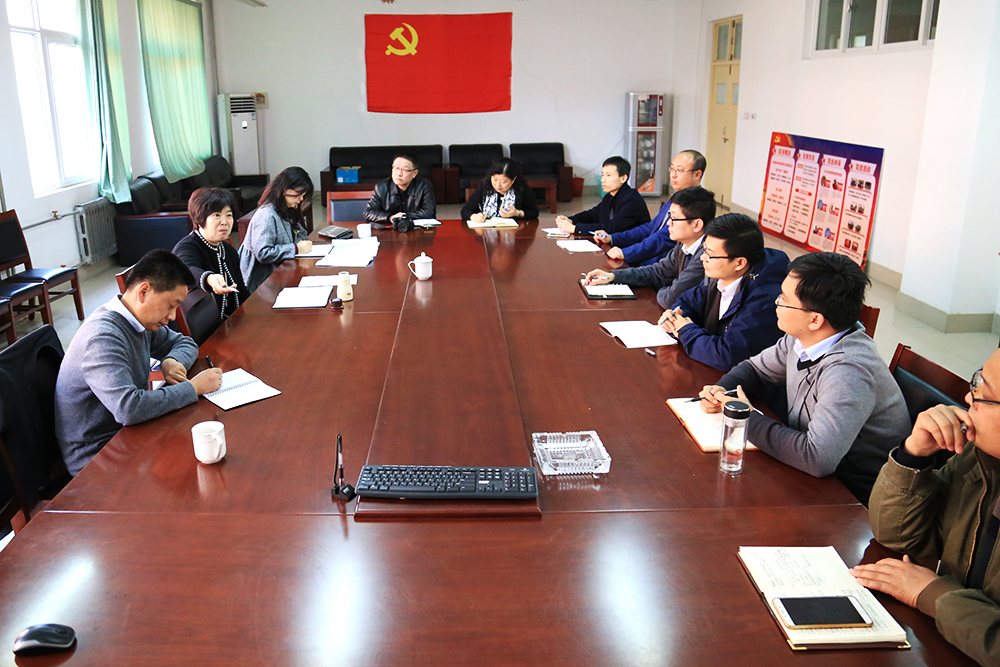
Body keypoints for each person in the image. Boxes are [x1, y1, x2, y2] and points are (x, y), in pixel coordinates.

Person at [699, 252, 909, 504]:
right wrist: (722, 390)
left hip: (851, 496)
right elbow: (755, 370)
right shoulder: (803, 337)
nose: (775, 303)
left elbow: (817, 458)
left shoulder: (848, 371)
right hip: (804, 470)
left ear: (815, 320)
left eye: (784, 300)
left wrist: (745, 418)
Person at [850, 352, 1000, 667]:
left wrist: (934, 594)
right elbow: (899, 536)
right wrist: (913, 455)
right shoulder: (979, 458)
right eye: (976, 380)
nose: (968, 397)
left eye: (983, 391)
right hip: (949, 641)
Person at [55, 249, 224, 475]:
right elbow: (128, 409)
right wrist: (193, 388)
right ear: (143, 291)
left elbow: (185, 342)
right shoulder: (102, 338)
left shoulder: (138, 320)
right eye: (171, 305)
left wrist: (171, 360)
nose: (173, 316)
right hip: (98, 457)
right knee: (192, 470)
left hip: (129, 433)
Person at [659, 213, 788, 371]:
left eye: (710, 255)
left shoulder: (765, 299)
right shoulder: (722, 276)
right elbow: (687, 301)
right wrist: (675, 317)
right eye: (704, 251)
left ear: (739, 263)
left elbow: (727, 356)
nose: (703, 258)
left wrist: (685, 330)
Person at [583, 186, 714, 309]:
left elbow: (670, 299)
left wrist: (661, 290)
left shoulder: (705, 256)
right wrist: (612, 276)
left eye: (674, 218)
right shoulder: (683, 245)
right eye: (669, 217)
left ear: (697, 225)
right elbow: (657, 272)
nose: (669, 223)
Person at [595, 150, 706, 266]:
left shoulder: (697, 203)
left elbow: (663, 239)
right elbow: (651, 227)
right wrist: (612, 238)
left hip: (662, 265)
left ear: (697, 174)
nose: (673, 175)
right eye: (672, 169)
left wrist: (626, 253)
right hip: (649, 260)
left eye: (680, 170)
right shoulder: (677, 198)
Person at [172, 187, 250, 321]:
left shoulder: (227, 249)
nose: (224, 222)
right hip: (211, 329)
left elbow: (241, 292)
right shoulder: (187, 247)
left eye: (229, 215)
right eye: (217, 215)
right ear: (199, 218)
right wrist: (209, 278)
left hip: (234, 323)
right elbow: (187, 269)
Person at [239, 166, 314, 293]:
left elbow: (301, 236)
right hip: (262, 285)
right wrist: (295, 248)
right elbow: (263, 253)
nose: (301, 199)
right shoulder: (267, 215)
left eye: (303, 195)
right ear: (284, 190)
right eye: (298, 194)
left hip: (282, 273)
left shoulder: (287, 209)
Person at [554, 156, 650, 235]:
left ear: (623, 178)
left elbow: (612, 227)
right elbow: (593, 215)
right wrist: (570, 220)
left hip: (633, 247)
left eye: (608, 175)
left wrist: (575, 229)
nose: (603, 180)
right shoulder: (610, 196)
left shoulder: (632, 200)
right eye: (603, 175)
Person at [364, 152, 437, 228]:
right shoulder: (382, 187)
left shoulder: (424, 186)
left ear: (414, 173)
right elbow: (368, 213)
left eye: (405, 170)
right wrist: (390, 217)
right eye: (396, 168)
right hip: (389, 230)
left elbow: (429, 212)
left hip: (416, 230)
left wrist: (403, 217)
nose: (399, 174)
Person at [461, 158, 539, 222]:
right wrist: (473, 216)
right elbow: (465, 211)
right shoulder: (484, 187)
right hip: (486, 231)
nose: (498, 185)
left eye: (503, 181)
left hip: (513, 232)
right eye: (495, 180)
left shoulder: (522, 189)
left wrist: (518, 213)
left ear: (513, 180)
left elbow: (534, 212)